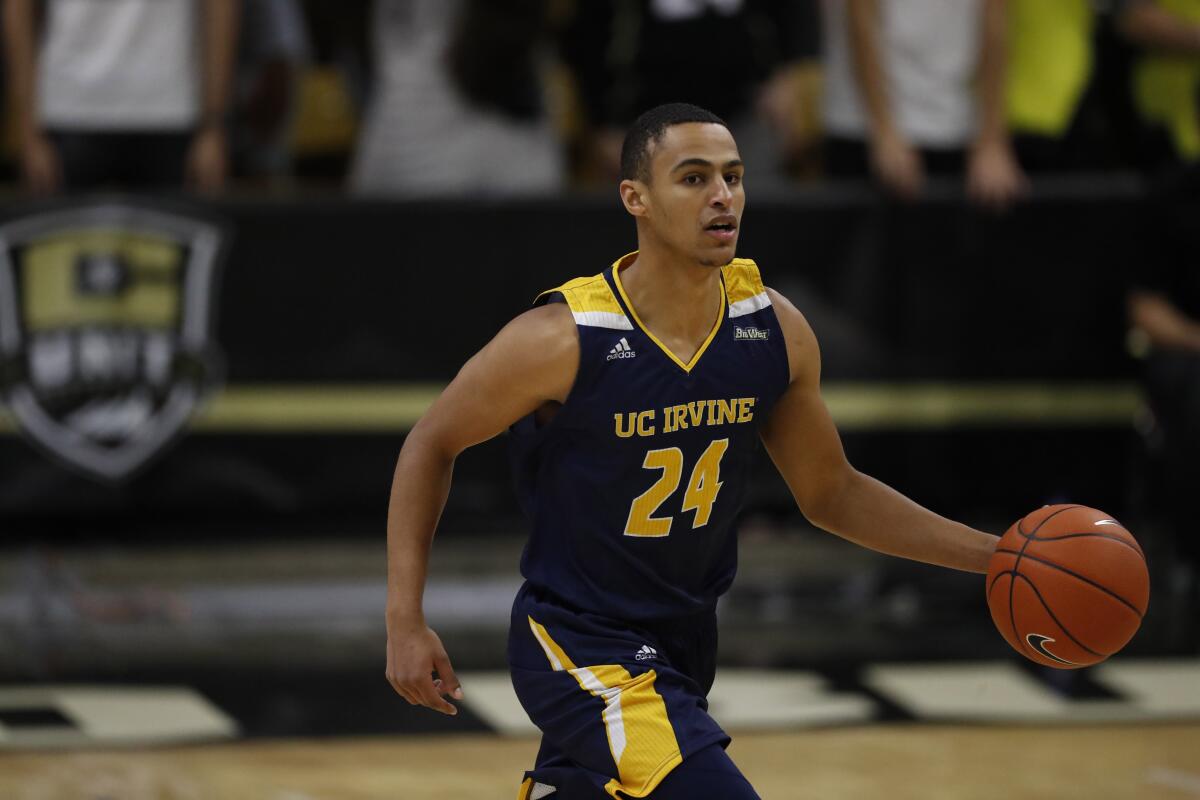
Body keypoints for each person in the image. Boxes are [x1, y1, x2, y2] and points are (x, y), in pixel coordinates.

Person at [384, 103, 1000, 798]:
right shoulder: (562, 338)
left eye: (734, 178)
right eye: (695, 178)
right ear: (635, 198)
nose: (722, 197)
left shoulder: (773, 329)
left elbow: (832, 492)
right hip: (578, 642)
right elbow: (431, 443)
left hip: (684, 641)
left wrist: (995, 557)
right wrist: (405, 620)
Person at [3, 0, 238, 194]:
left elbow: (220, 7)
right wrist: (29, 131)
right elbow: (17, 9)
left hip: (171, 111)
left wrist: (213, 126)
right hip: (69, 111)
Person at [821, 0, 1027, 208]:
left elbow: (995, 22)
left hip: (952, 126)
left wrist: (991, 141)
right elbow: (860, 20)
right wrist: (883, 130)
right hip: (861, 130)